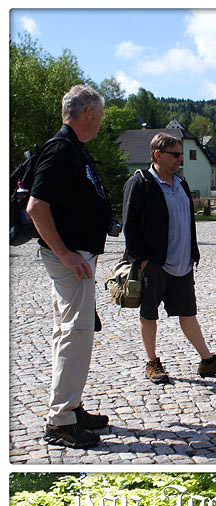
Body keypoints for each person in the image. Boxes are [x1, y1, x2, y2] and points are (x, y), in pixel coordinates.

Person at [26, 85, 114, 449]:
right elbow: (36, 207)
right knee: (75, 335)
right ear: (88, 113)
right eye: (101, 115)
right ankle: (61, 421)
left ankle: (72, 408)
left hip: (78, 257)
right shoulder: (61, 150)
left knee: (72, 333)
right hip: (71, 261)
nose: (102, 122)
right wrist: (64, 252)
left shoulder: (72, 149)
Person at [122, 132, 216, 385]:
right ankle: (152, 362)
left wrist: (192, 254)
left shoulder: (180, 183)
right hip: (154, 264)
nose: (180, 158)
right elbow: (130, 227)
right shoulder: (141, 183)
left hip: (182, 263)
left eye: (181, 154)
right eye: (176, 154)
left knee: (188, 312)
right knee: (149, 314)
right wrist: (144, 261)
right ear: (158, 155)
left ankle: (206, 360)